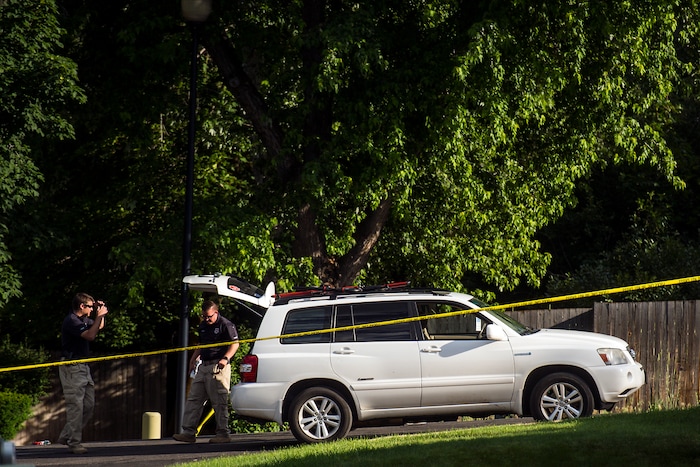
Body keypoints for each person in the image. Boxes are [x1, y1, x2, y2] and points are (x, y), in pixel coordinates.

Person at [173, 300, 239, 444]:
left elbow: (235, 344)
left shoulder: (225, 324)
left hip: (218, 367)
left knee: (219, 402)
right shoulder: (203, 325)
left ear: (216, 312)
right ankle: (189, 433)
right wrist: (193, 359)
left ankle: (223, 434)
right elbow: (202, 345)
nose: (207, 319)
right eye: (204, 316)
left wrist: (225, 359)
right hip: (203, 366)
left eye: (209, 316)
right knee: (194, 399)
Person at [57, 293, 108, 454]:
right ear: (81, 306)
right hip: (72, 366)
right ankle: (74, 442)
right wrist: (99, 315)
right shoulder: (72, 320)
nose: (92, 310)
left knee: (88, 405)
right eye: (90, 307)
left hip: (83, 366)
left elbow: (98, 327)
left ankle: (66, 435)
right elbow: (90, 335)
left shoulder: (84, 320)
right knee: (76, 406)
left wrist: (101, 313)